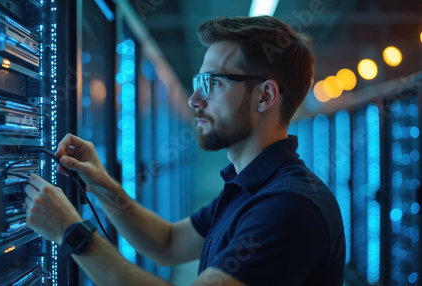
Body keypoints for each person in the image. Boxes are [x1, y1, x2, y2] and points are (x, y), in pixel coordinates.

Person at [25, 15, 345, 285]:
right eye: (197, 82)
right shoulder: (251, 185)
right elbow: (167, 243)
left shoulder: (289, 205)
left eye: (212, 83)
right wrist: (102, 185)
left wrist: (71, 233)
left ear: (265, 96)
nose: (194, 99)